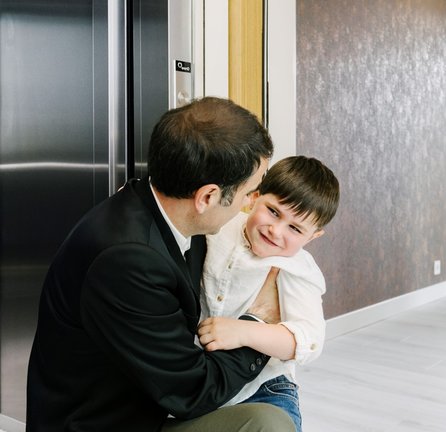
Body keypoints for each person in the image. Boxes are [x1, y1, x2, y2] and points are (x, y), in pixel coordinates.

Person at [25, 96, 297, 432]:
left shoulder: (161, 209)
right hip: (104, 424)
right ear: (208, 197)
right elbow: (193, 391)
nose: (250, 204)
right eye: (249, 193)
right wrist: (258, 323)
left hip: (146, 403)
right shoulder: (128, 261)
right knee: (268, 426)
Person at [197, 156, 340, 432]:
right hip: (206, 377)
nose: (276, 231)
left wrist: (242, 332)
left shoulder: (296, 268)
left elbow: (308, 341)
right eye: (273, 212)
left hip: (265, 386)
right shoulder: (220, 226)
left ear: (313, 237)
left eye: (295, 228)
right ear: (254, 197)